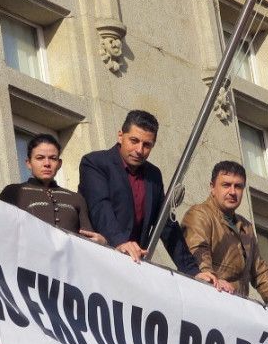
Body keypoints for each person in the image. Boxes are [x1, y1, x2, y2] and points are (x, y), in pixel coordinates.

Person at [78, 109, 219, 286]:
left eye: (147, 145)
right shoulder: (95, 163)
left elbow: (166, 225)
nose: (139, 150)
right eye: (134, 141)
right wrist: (120, 242)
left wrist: (193, 271)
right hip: (98, 262)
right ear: (120, 136)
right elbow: (100, 206)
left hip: (134, 269)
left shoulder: (153, 175)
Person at [183, 161, 268, 317]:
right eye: (226, 185)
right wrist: (212, 279)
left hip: (237, 312)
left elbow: (260, 272)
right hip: (208, 306)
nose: (232, 191)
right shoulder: (200, 214)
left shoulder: (246, 227)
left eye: (238, 186)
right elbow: (197, 252)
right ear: (212, 187)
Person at [0, 134, 106, 244]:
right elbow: (1, 232)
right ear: (29, 163)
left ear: (59, 164)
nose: (47, 164)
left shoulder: (76, 198)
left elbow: (89, 239)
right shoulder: (13, 192)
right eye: (40, 158)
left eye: (52, 158)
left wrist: (103, 243)